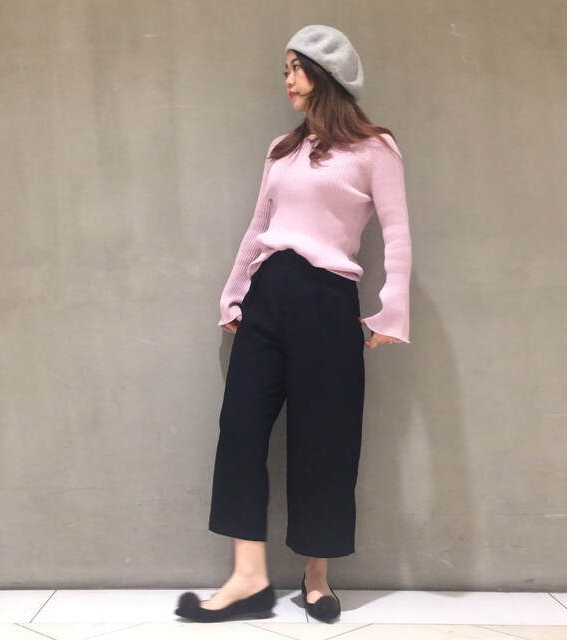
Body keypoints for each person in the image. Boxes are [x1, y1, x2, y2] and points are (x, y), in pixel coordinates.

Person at [175, 24, 412, 624]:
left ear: (326, 74)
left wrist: (392, 311)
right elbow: (259, 227)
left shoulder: (374, 148)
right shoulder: (282, 150)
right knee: (239, 431)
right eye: (284, 69)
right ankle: (247, 578)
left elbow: (398, 233)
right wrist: (234, 293)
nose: (287, 79)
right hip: (268, 294)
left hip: (327, 299)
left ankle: (316, 576)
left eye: (296, 67)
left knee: (325, 439)